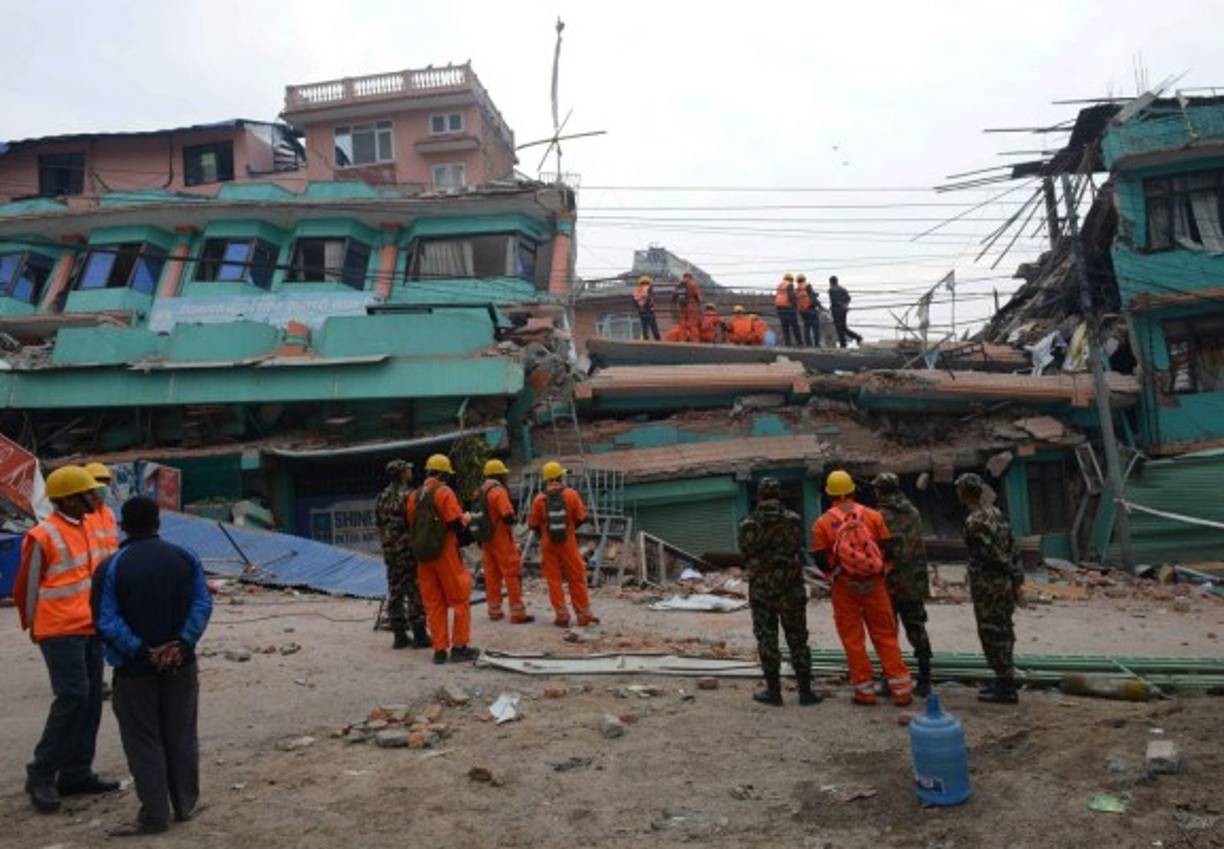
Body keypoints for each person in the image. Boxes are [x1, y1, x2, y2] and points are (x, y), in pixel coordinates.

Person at [93, 496, 212, 836]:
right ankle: (185, 804)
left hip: (134, 671)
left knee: (143, 739)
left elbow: (105, 619)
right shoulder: (185, 557)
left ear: (123, 525)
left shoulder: (113, 566)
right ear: (159, 521)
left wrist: (143, 652)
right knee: (181, 733)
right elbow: (202, 603)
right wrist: (183, 643)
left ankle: (155, 815)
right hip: (181, 664)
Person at [13, 465, 120, 813]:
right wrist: (33, 625)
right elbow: (26, 586)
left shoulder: (89, 524)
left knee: (89, 701)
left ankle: (76, 772)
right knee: (73, 696)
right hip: (58, 629)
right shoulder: (43, 535)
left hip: (89, 627)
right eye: (89, 493)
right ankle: (41, 774)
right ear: (70, 499)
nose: (96, 497)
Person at [811, 469, 913, 706]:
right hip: (876, 586)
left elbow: (820, 559)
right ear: (852, 490)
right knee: (886, 637)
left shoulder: (822, 524)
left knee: (853, 640)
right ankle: (902, 691)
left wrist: (838, 575)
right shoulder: (873, 517)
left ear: (830, 494)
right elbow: (889, 550)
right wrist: (879, 572)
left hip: (844, 587)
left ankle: (864, 692)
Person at [737, 478, 820, 707]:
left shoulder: (747, 524)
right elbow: (796, 547)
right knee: (798, 638)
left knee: (767, 638)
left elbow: (745, 553)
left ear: (759, 495)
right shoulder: (793, 519)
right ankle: (805, 692)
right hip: (790, 587)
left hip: (762, 590)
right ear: (779, 494)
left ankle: (774, 692)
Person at [956, 473, 1025, 704]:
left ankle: (1006, 685)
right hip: (1002, 583)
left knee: (993, 633)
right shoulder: (996, 513)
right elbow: (1013, 547)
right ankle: (1004, 680)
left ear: (965, 492)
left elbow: (993, 556)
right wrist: (1017, 578)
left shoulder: (975, 521)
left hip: (989, 586)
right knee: (1003, 630)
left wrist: (1010, 572)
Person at [406, 454, 477, 665]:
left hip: (424, 558)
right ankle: (459, 647)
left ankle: (439, 650)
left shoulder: (414, 497)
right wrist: (466, 519)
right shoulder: (444, 493)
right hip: (445, 555)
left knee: (434, 604)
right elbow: (455, 524)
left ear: (428, 472)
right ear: (445, 474)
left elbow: (412, 525)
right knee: (460, 600)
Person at [872, 473, 933, 696]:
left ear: (879, 490)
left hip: (888, 584)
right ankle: (925, 680)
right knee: (917, 629)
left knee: (888, 634)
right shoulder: (914, 512)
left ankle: (891, 681)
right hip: (913, 580)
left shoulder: (878, 516)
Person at [528, 461, 599, 627]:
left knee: (554, 580)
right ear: (561, 476)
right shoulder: (571, 495)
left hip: (548, 544)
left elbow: (532, 524)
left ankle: (561, 616)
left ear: (546, 479)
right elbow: (582, 517)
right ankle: (583, 615)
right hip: (568, 542)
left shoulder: (539, 499)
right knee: (577, 577)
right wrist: (570, 527)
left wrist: (545, 532)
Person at [374, 460, 429, 649]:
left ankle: (399, 636)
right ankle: (420, 634)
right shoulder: (409, 495)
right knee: (414, 590)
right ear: (401, 474)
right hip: (407, 549)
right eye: (407, 469)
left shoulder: (382, 497)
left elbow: (379, 524)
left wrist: (388, 543)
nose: (411, 471)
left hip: (390, 550)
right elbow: (417, 522)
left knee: (395, 590)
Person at [470, 459, 533, 624]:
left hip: (486, 540)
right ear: (499, 474)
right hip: (501, 539)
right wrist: (515, 521)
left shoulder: (479, 492)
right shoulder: (498, 491)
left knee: (491, 575)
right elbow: (507, 515)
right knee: (511, 573)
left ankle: (494, 610)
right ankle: (517, 612)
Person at [84, 462, 120, 560]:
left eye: (105, 482)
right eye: (98, 482)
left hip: (110, 568)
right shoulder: (81, 514)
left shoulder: (109, 513)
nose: (102, 486)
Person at [828, 275, 863, 348]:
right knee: (843, 327)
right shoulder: (842, 289)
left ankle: (844, 344)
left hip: (836, 311)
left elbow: (834, 301)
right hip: (843, 311)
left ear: (831, 282)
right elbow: (849, 298)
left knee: (839, 328)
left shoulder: (831, 290)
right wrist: (845, 305)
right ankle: (855, 338)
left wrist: (840, 305)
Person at [671, 271, 702, 342]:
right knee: (693, 324)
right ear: (691, 276)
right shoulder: (693, 283)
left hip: (681, 306)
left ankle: (682, 340)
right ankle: (694, 341)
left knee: (682, 325)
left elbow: (674, 296)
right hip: (691, 306)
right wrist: (699, 304)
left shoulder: (679, 284)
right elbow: (697, 296)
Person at [774, 273, 801, 347]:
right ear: (791, 279)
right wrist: (796, 306)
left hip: (779, 308)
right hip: (788, 307)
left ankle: (787, 344)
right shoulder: (789, 284)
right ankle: (800, 343)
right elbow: (791, 296)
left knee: (785, 327)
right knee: (795, 326)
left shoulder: (780, 285)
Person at [795, 274, 823, 347]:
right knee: (815, 327)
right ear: (804, 279)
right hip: (811, 309)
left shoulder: (797, 289)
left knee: (807, 327)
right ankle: (816, 344)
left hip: (803, 311)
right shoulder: (807, 286)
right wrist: (820, 306)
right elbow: (812, 297)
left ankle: (808, 344)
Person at [633, 275, 661, 341]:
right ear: (648, 282)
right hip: (649, 310)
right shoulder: (649, 289)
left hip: (641, 311)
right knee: (653, 327)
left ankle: (646, 341)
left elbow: (634, 301)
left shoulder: (637, 290)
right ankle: (658, 341)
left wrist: (640, 308)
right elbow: (650, 298)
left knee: (644, 327)